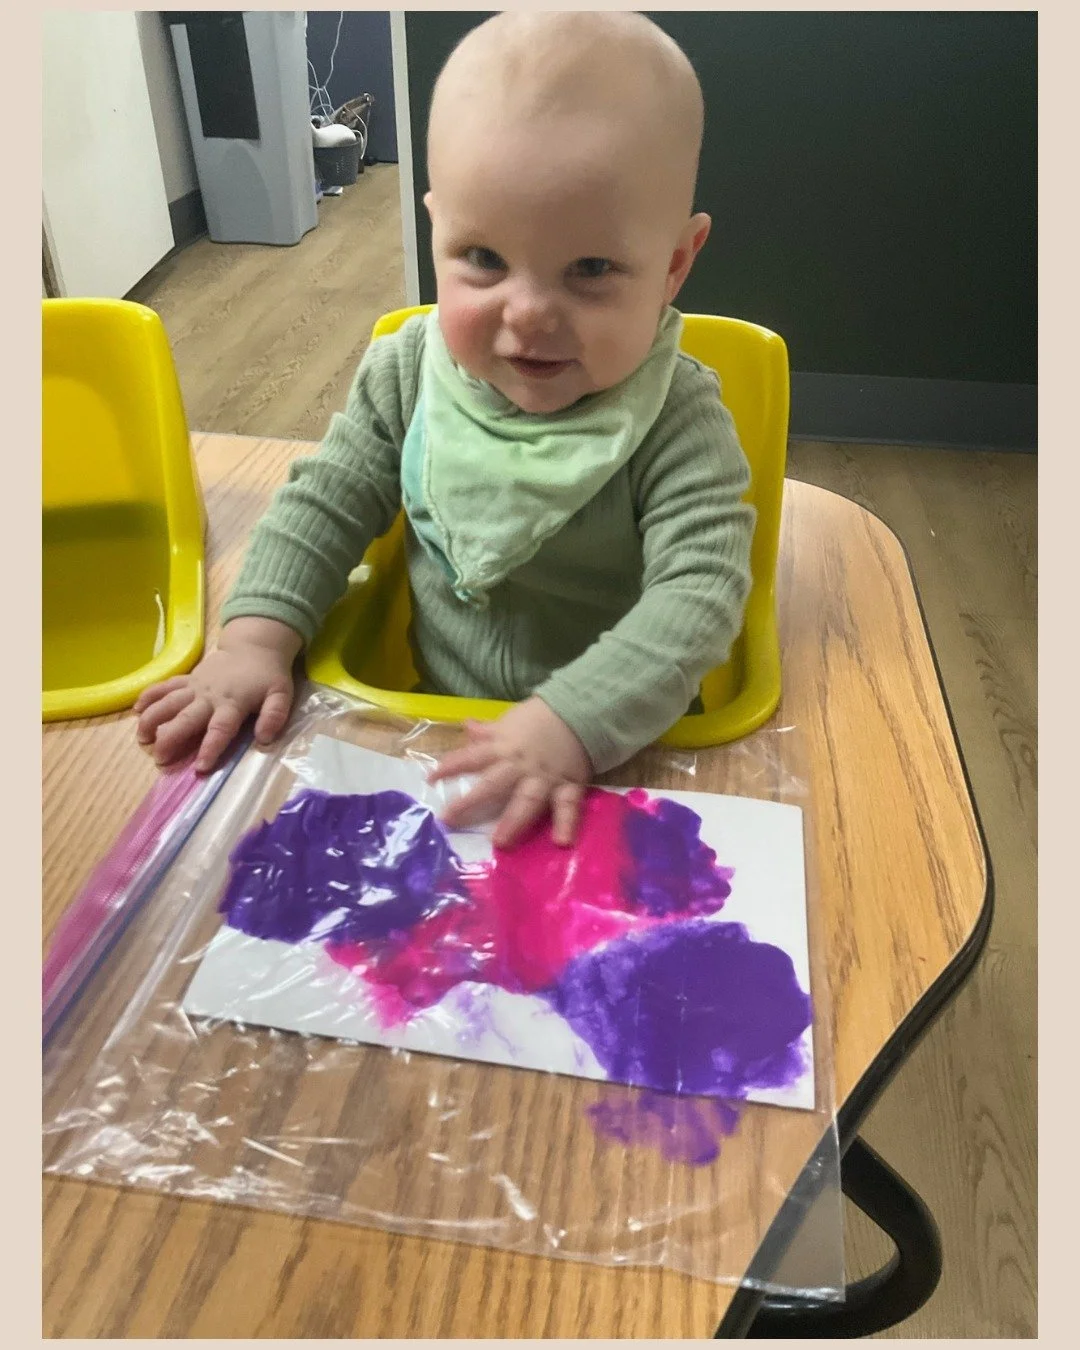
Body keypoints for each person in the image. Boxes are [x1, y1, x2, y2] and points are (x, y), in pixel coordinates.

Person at [135, 11, 755, 848]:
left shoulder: (678, 417)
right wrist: (254, 640)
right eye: (484, 259)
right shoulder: (406, 373)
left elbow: (700, 595)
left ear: (675, 263)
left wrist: (574, 722)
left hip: (626, 744)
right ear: (437, 229)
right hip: (436, 731)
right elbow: (326, 503)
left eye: (591, 269)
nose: (527, 314)